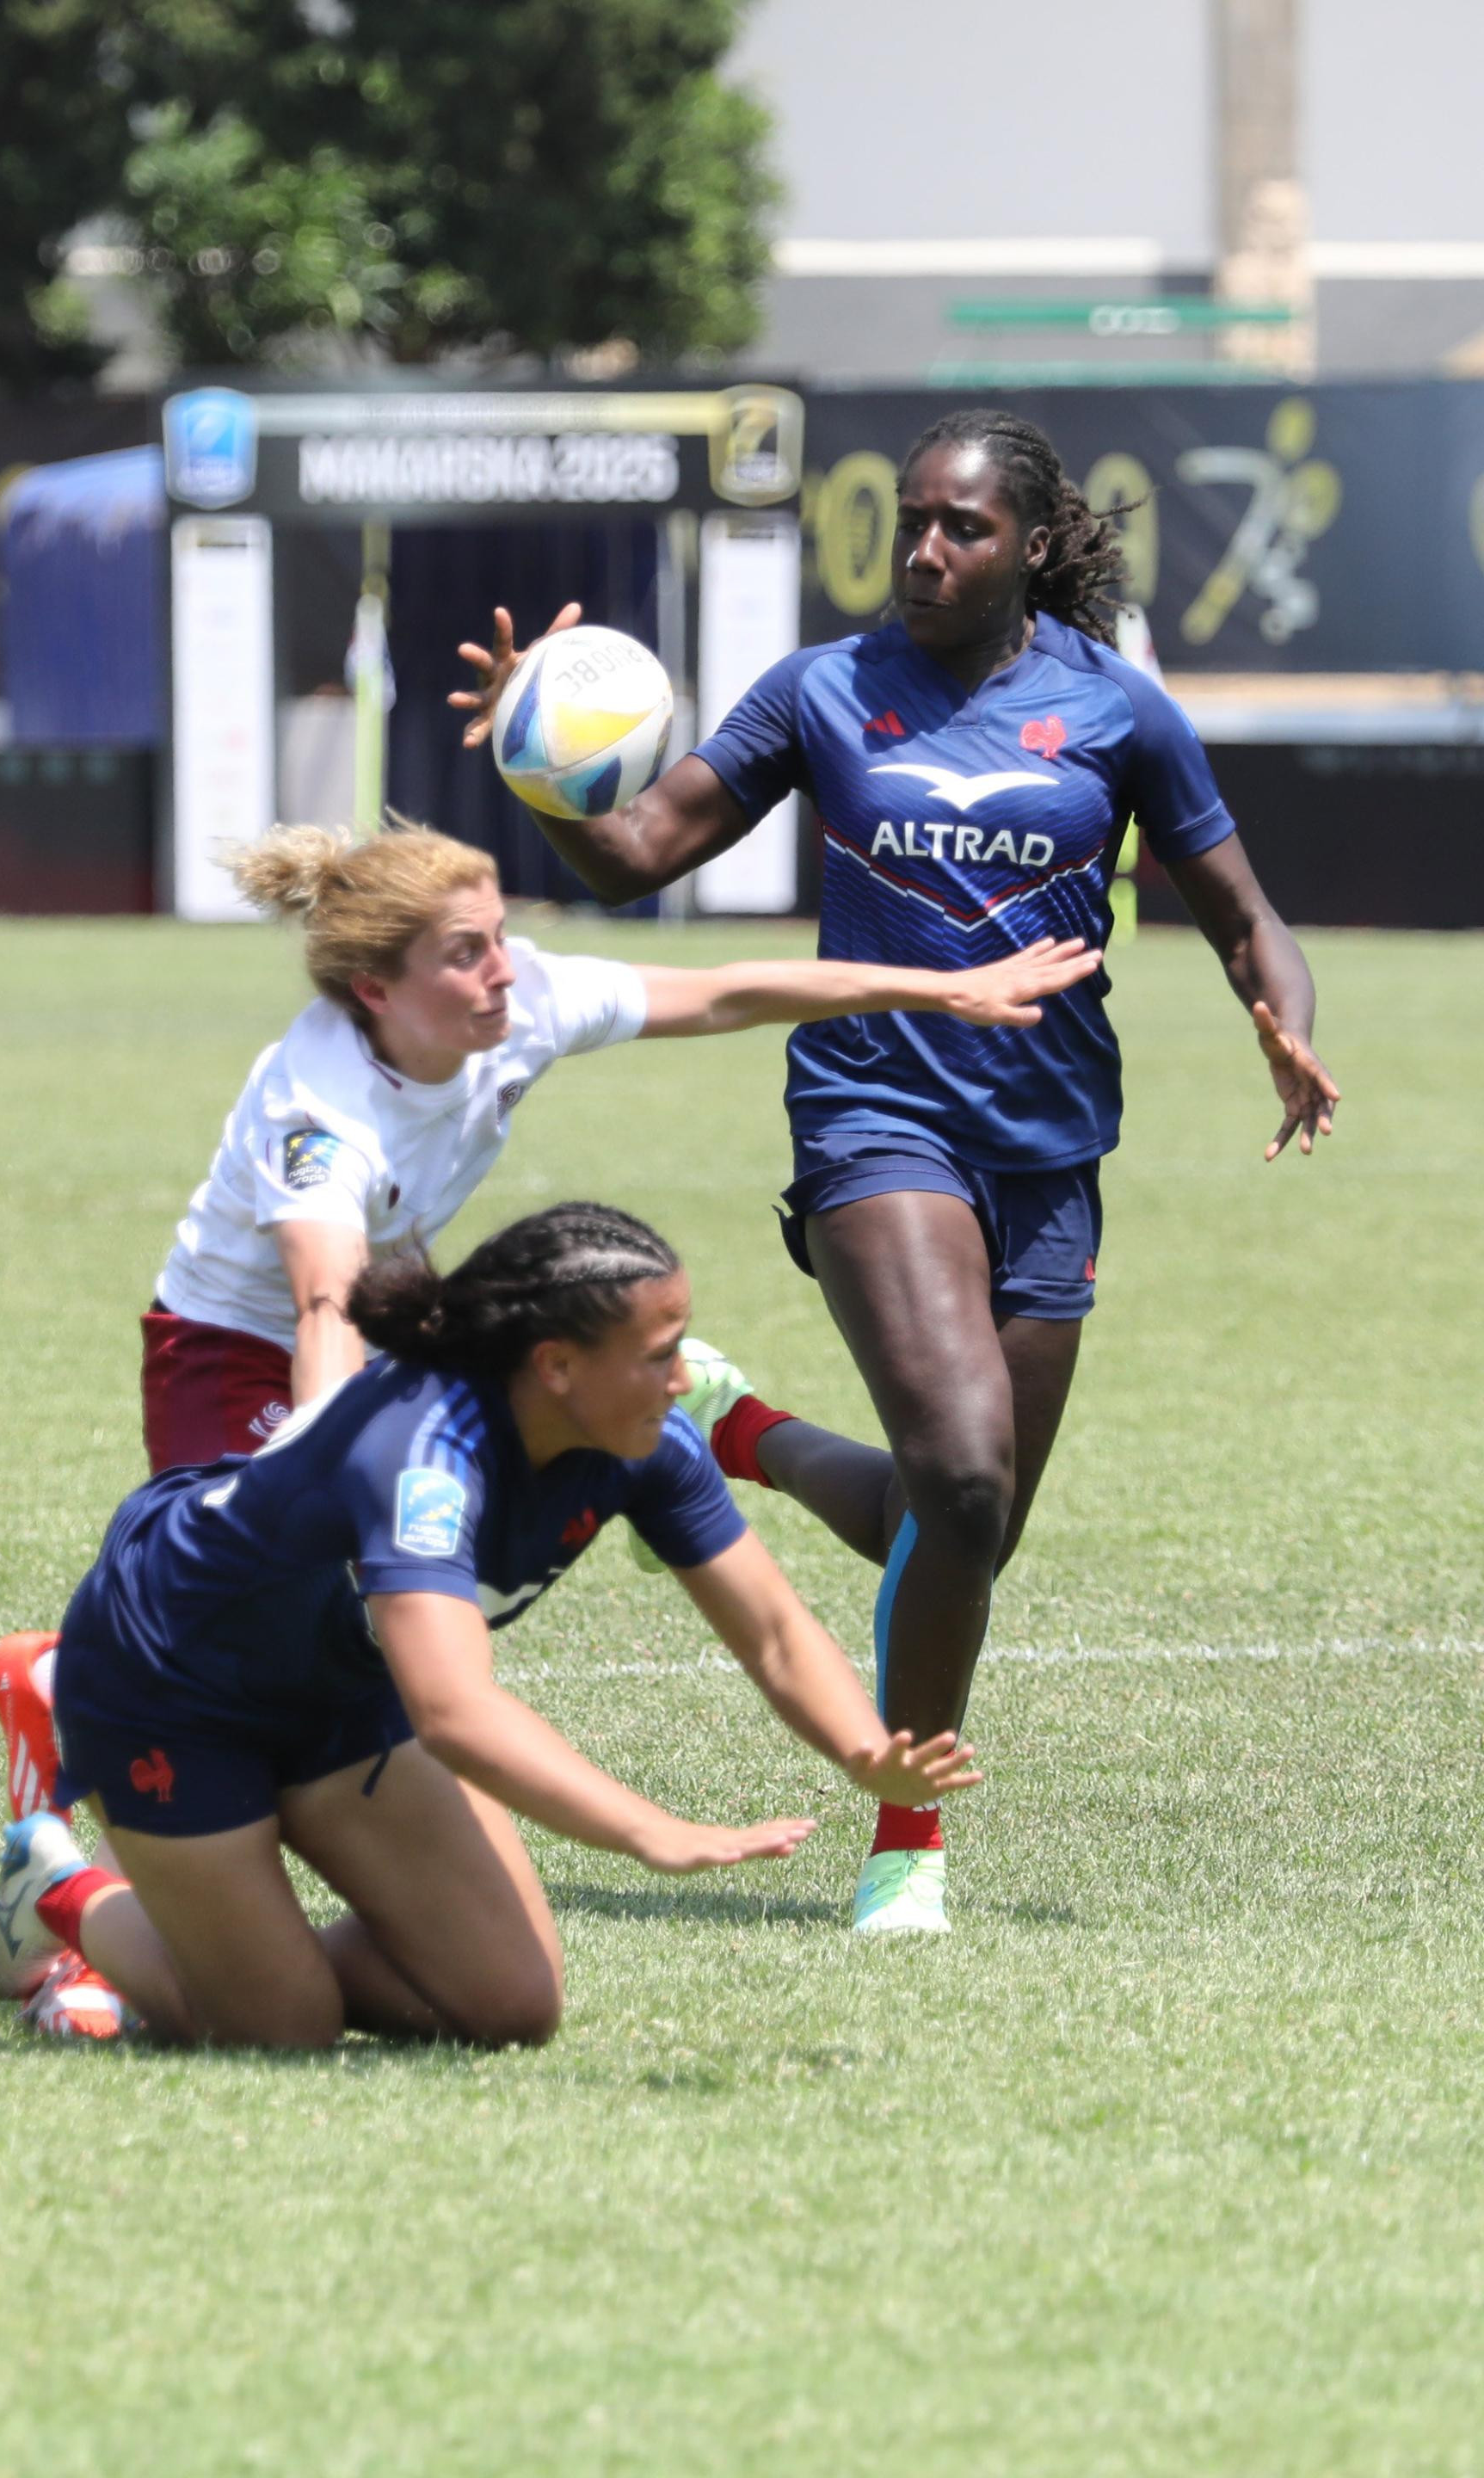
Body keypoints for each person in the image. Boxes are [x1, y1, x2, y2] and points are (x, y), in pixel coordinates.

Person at [451, 405, 1341, 1939]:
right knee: (965, 1474)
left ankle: (736, 1430)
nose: (923, 551)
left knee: (965, 1518)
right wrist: (547, 773)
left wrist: (1287, 1026)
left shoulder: (1116, 710)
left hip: (1052, 1147)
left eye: (961, 529)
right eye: (913, 522)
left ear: (1032, 547)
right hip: (874, 1119)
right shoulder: (824, 690)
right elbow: (642, 851)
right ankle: (906, 1844)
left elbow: (1247, 917)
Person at [0, 813, 1092, 2024]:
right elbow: (323, 1304)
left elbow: (727, 991)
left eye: (500, 936)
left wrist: (942, 989)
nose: (503, 970)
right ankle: (110, 1864)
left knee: (468, 1936)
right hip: (238, 1349)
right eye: (465, 953)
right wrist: (344, 1465)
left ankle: (244, 1887)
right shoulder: (319, 1113)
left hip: (397, 1333)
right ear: (376, 990)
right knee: (268, 1613)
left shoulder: (524, 1005)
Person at [0, 1205, 982, 2050]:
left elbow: (773, 1633)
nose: (684, 1380)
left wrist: (864, 1752)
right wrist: (653, 1832)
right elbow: (454, 1712)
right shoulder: (424, 1453)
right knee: (282, 2031)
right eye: (658, 1355)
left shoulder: (649, 1445)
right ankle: (57, 1895)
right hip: (170, 1678)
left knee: (509, 2006)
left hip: (340, 1684)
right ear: (557, 1366)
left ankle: (237, 1952)